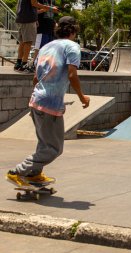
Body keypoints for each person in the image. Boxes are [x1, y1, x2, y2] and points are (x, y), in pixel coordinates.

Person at [6, 16, 90, 188]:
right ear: (73, 31)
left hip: (36, 100)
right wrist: (82, 97)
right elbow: (72, 75)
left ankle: (34, 174)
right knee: (54, 148)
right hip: (50, 104)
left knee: (43, 143)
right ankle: (18, 171)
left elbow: (36, 78)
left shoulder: (46, 47)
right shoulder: (72, 47)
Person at [13, 0, 58, 73]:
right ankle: (24, 65)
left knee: (22, 42)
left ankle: (18, 63)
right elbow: (34, 3)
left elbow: (30, 7)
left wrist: (36, 17)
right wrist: (51, 8)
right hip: (28, 19)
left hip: (23, 18)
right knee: (28, 42)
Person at [31, 0, 57, 71]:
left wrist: (54, 23)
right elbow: (34, 12)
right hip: (42, 27)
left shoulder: (52, 1)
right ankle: (34, 63)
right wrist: (45, 9)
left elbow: (52, 13)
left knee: (49, 48)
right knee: (39, 46)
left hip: (50, 27)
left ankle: (45, 65)